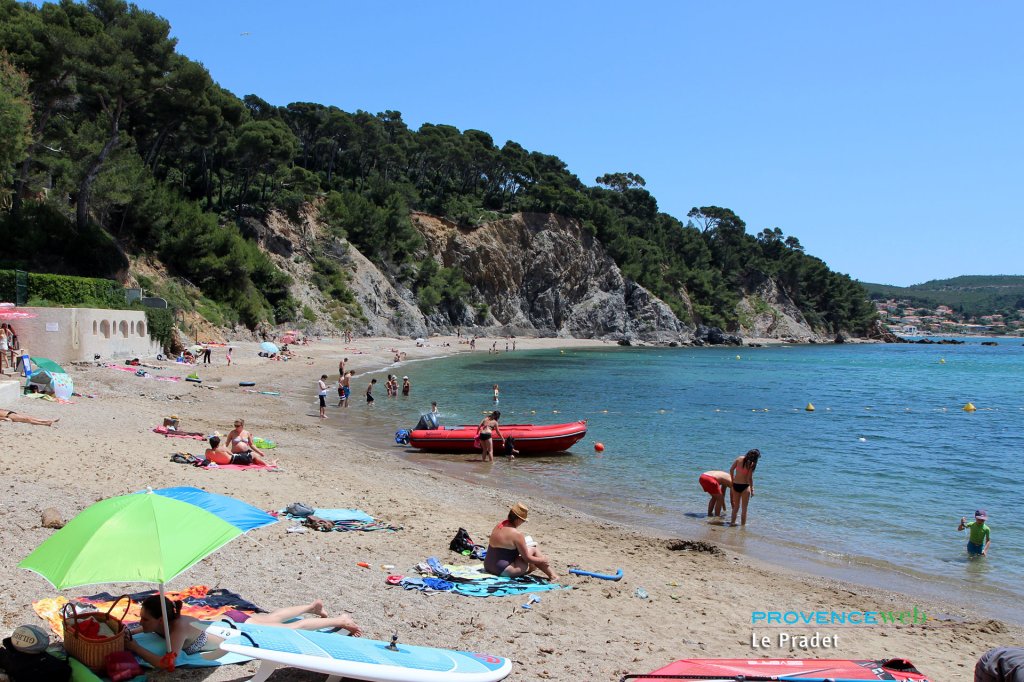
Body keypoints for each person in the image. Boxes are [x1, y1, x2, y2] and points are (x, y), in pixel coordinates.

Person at [125, 595, 362, 671]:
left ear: (159, 619)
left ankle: (340, 619)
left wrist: (135, 647)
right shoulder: (166, 621)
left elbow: (168, 664)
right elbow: (143, 627)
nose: (140, 623)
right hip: (230, 620)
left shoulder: (177, 628)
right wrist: (130, 631)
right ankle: (312, 607)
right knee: (270, 618)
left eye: (144, 619)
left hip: (240, 632)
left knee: (291, 628)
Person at [483, 503, 558, 581]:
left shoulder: (499, 525)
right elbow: (528, 559)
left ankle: (532, 568)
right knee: (533, 549)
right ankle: (553, 575)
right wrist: (543, 559)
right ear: (518, 519)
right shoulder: (517, 534)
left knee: (522, 549)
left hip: (488, 566)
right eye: (523, 521)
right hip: (503, 571)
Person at [729, 448, 760, 526]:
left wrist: (733, 480)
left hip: (735, 485)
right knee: (744, 509)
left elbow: (731, 470)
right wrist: (752, 489)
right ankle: (743, 527)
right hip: (745, 486)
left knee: (736, 507)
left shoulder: (739, 458)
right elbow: (749, 478)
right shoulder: (752, 464)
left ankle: (732, 523)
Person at [205, 434, 276, 467]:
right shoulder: (222, 448)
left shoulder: (207, 451)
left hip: (224, 461)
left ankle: (264, 463)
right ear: (218, 443)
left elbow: (208, 459)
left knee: (250, 455)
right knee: (253, 454)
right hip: (234, 460)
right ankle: (268, 465)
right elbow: (231, 454)